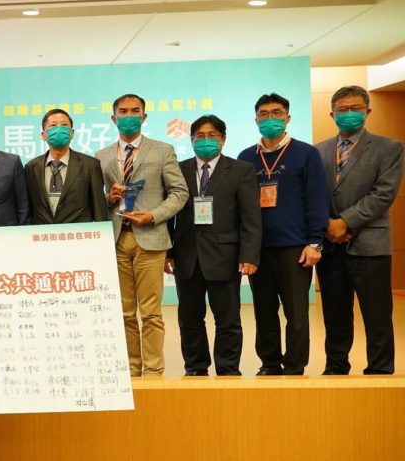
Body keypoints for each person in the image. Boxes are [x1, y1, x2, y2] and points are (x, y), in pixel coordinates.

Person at [97, 94, 188, 377]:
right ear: (114, 118)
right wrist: (109, 199)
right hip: (116, 239)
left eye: (135, 111)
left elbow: (179, 192)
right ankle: (131, 370)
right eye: (123, 111)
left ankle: (153, 371)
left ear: (144, 116)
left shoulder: (162, 150)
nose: (129, 116)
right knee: (123, 313)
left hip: (151, 238)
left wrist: (154, 215)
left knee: (150, 313)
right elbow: (98, 200)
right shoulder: (101, 156)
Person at [316, 85, 403, 374]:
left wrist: (346, 222)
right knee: (335, 314)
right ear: (332, 114)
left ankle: (380, 369)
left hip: (370, 244)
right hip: (330, 244)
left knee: (377, 314)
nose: (349, 114)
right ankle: (336, 367)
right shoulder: (318, 151)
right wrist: (329, 224)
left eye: (355, 108)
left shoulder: (389, 148)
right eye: (342, 110)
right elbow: (313, 194)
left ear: (367, 111)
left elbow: (383, 194)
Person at [238, 93, 327, 376]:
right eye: (264, 114)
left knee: (296, 313)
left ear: (287, 118)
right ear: (256, 120)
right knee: (264, 311)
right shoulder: (246, 158)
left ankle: (295, 366)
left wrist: (315, 242)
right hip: (258, 249)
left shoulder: (306, 153)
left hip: (295, 248)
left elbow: (316, 199)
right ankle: (269, 363)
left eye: (276, 113)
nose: (270, 119)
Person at [166, 115, 261, 376]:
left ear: (223, 139)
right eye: (200, 136)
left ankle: (228, 369)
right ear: (191, 140)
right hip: (187, 257)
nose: (205, 141)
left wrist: (249, 255)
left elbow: (250, 217)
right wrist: (168, 252)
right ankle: (195, 368)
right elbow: (169, 214)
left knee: (228, 320)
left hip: (225, 256)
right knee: (189, 319)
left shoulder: (241, 170)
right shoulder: (178, 169)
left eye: (212, 136)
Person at [25, 108, 108, 224]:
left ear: (72, 133)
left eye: (64, 125)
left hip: (78, 233)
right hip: (42, 233)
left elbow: (99, 209)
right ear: (43, 135)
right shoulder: (31, 167)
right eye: (53, 125)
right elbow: (28, 208)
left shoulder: (90, 165)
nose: (59, 129)